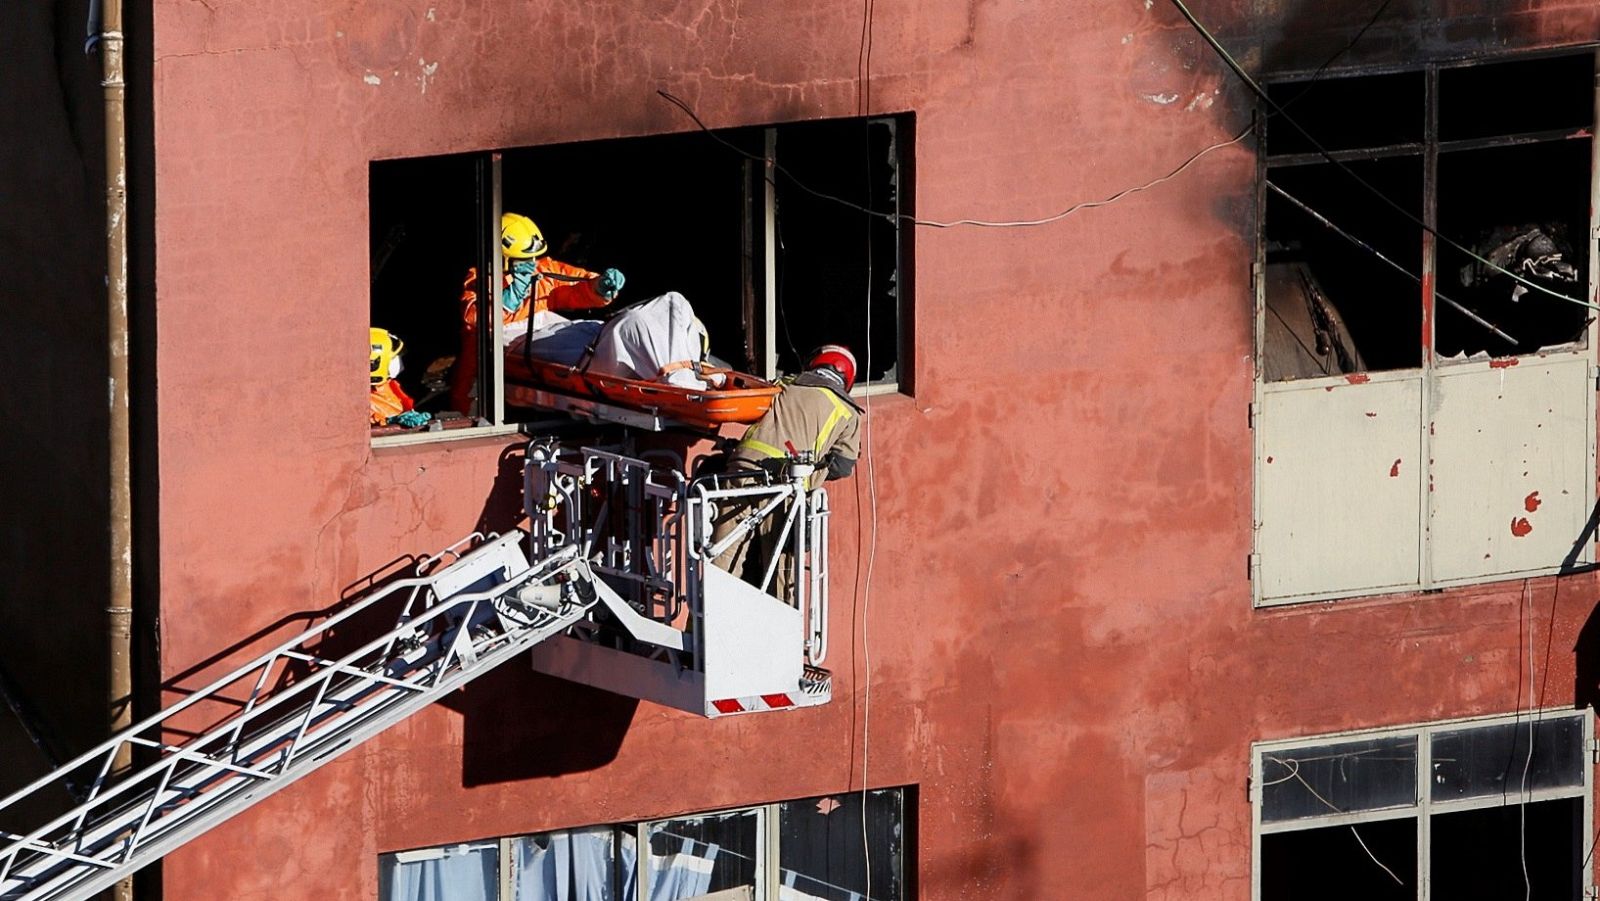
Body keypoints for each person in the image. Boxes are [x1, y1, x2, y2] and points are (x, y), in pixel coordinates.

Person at [712, 345, 862, 597]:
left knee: (723, 559)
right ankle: (778, 632)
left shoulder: (784, 385)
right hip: (783, 488)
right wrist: (812, 474)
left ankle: (701, 626)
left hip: (740, 470)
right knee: (780, 571)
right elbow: (842, 466)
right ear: (848, 379)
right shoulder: (847, 411)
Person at [449, 212, 625, 413]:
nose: (532, 262)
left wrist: (598, 286)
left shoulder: (543, 271)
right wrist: (507, 301)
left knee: (598, 334)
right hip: (493, 358)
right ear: (502, 258)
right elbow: (474, 320)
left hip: (550, 332)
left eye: (534, 256)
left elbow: (575, 283)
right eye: (524, 258)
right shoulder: (478, 280)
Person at [370, 328, 431, 428]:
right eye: (395, 357)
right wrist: (391, 421)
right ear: (376, 364)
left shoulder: (389, 386)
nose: (400, 360)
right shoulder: (357, 398)